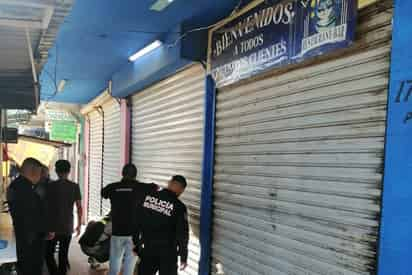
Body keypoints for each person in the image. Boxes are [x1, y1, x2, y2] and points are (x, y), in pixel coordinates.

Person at [101, 164, 157, 275]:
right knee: (129, 265)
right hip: (134, 235)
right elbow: (155, 187)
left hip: (117, 232)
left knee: (114, 263)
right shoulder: (141, 187)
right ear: (135, 175)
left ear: (122, 173)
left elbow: (103, 193)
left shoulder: (113, 187)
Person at [135, 175, 189, 275]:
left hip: (148, 249)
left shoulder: (149, 198)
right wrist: (183, 257)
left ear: (169, 183)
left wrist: (136, 245)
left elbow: (137, 221)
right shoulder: (179, 207)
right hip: (168, 254)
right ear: (181, 189)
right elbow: (182, 235)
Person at [7, 158, 49, 275]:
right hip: (31, 241)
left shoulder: (15, 185)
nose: (40, 177)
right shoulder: (26, 190)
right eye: (40, 173)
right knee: (32, 269)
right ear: (32, 171)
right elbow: (34, 217)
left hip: (23, 237)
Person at [45, 160, 83, 275]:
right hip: (67, 226)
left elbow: (47, 209)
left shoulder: (50, 186)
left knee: (48, 253)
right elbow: (79, 207)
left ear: (56, 171)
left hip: (53, 227)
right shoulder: (75, 186)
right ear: (69, 171)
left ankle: (54, 272)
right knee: (63, 255)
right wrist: (79, 225)